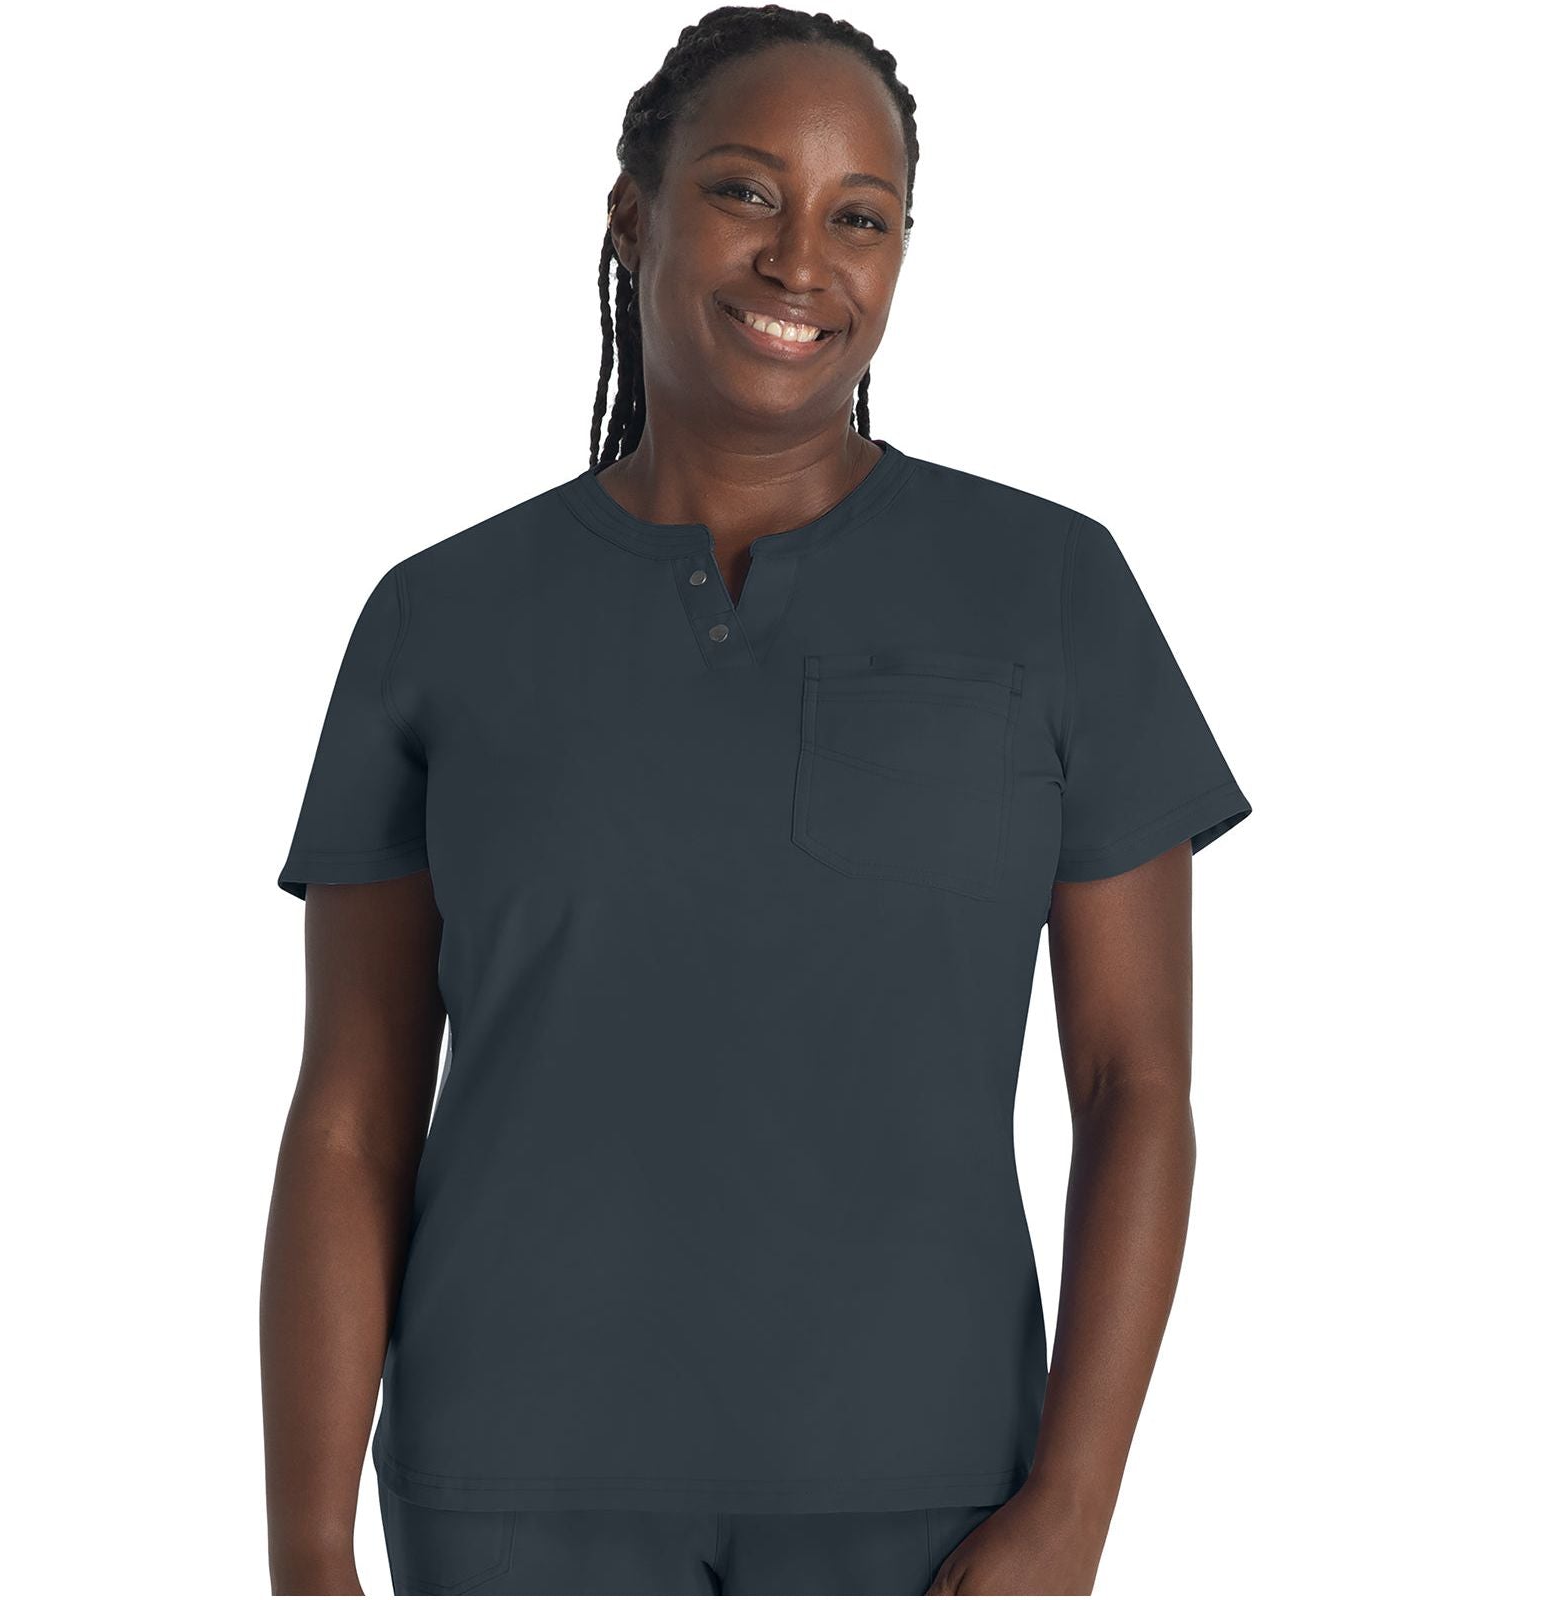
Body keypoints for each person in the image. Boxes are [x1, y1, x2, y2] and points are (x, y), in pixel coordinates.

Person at [259, 6, 1253, 1595]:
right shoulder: (438, 620)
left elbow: (1138, 1088)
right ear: (632, 211)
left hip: (935, 1497)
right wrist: (309, 1545)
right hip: (506, 1490)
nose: (802, 260)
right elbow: (351, 1115)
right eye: (744, 191)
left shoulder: (1051, 589)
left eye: (861, 217)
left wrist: (1071, 1510)